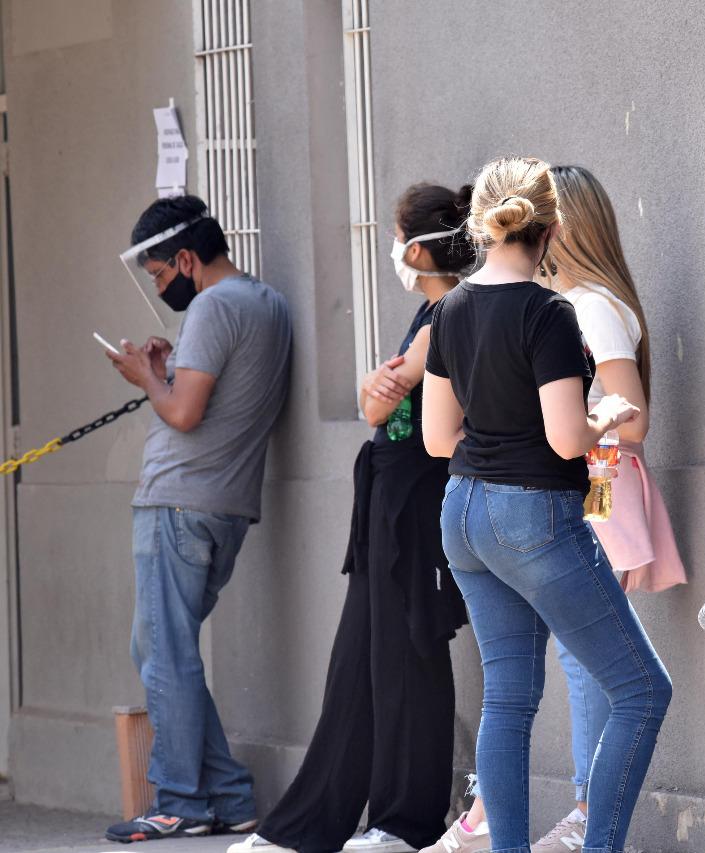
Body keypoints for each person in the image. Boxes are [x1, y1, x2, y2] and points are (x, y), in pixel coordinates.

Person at [427, 164, 685, 853]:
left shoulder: (448, 309)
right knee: (642, 690)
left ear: (484, 223)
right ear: (554, 229)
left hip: (462, 514)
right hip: (533, 515)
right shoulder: (548, 312)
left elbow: (433, 437)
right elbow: (567, 437)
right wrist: (607, 416)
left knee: (508, 701)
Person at [227, 184, 474, 853]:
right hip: (387, 503)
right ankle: (312, 823)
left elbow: (382, 396)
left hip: (419, 503)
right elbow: (373, 405)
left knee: (410, 654)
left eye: (397, 237)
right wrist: (377, 384)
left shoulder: (450, 310)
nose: (393, 250)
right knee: (359, 662)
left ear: (418, 247)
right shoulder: (429, 313)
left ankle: (404, 819)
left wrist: (379, 382)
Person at [103, 196, 292, 843]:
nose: (161, 287)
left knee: (164, 652)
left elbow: (182, 413)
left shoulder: (213, 304)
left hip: (180, 500)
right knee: (162, 648)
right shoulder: (266, 303)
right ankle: (231, 796)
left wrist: (142, 375)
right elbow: (206, 396)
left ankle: (181, 798)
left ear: (186, 258)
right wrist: (165, 370)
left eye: (159, 275)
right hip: (225, 504)